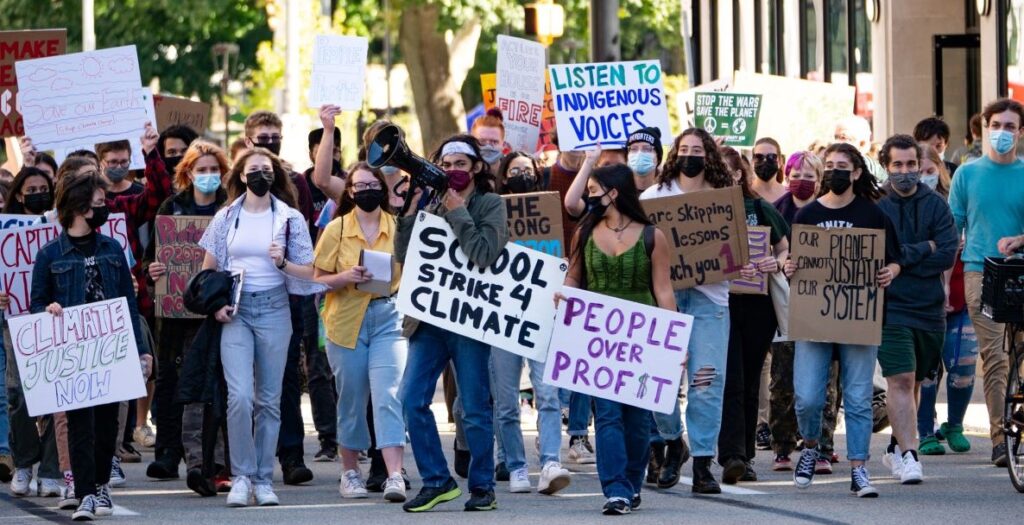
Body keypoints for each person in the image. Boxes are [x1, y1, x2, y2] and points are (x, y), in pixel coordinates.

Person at [198, 147, 322, 507]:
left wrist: (283, 261)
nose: (261, 175)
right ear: (240, 175)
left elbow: (310, 273)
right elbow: (208, 270)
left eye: (267, 170)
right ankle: (241, 476)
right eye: (254, 170)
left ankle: (264, 479)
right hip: (236, 311)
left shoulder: (289, 218)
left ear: (276, 175)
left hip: (274, 309)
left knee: (268, 400)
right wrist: (216, 304)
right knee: (238, 397)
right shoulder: (225, 218)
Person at [395, 134, 509, 513]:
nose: (453, 171)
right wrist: (410, 213)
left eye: (461, 164)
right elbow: (405, 256)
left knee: (474, 407)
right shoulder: (428, 202)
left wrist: (459, 210)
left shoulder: (490, 204)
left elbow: (483, 254)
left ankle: (481, 486)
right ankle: (437, 481)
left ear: (477, 167)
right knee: (411, 399)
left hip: (469, 322)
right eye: (446, 165)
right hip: (428, 321)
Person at [30, 170, 152, 520]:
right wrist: (48, 310)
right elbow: (37, 303)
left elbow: (129, 306)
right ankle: (84, 493)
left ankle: (100, 486)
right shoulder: (50, 255)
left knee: (106, 426)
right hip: (74, 354)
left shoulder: (112, 248)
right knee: (79, 423)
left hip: (110, 351)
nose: (104, 210)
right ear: (80, 207)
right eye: (99, 204)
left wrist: (141, 350)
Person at [783, 142, 901, 497]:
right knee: (806, 397)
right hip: (815, 319)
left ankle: (859, 468)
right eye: (829, 165)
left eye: (842, 165)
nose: (835, 171)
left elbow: (894, 259)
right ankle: (810, 445)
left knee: (859, 396)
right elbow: (795, 262)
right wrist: (790, 267)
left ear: (856, 173)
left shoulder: (874, 215)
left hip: (858, 318)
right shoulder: (806, 216)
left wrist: (890, 272)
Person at [559, 164, 677, 514]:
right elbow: (574, 277)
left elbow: (664, 291)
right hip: (598, 336)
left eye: (594, 191)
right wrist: (564, 296)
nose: (589, 197)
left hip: (642, 335)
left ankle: (631, 480)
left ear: (614, 193)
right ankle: (615, 489)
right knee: (607, 414)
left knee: (638, 419)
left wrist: (674, 344)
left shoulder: (653, 236)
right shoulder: (583, 232)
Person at [640, 128, 733, 493]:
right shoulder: (653, 197)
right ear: (674, 155)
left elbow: (736, 249)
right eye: (684, 149)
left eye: (698, 149)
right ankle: (672, 440)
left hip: (711, 302)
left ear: (709, 155)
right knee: (656, 381)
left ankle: (704, 463)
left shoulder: (723, 199)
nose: (691, 155)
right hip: (664, 300)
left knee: (706, 383)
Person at [313, 162, 408, 502]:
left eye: (372, 185)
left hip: (389, 318)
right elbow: (318, 277)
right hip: (346, 319)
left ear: (382, 189)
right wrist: (344, 278)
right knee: (352, 399)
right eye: (359, 186)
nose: (366, 191)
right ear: (350, 192)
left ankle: (395, 475)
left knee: (390, 395)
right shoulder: (336, 229)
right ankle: (349, 472)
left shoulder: (399, 227)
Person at [144, 141, 233, 495]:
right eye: (202, 169)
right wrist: (155, 271)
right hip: (181, 321)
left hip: (222, 314)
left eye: (214, 169)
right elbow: (156, 255)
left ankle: (223, 464)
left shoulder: (230, 208)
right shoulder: (172, 207)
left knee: (224, 389)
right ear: (188, 173)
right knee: (188, 388)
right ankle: (195, 462)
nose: (208, 176)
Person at [242, 110, 320, 485]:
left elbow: (304, 238)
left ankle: (290, 456)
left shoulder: (295, 184)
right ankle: (240, 463)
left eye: (275, 135)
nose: (270, 141)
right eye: (262, 136)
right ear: (247, 141)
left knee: (285, 378)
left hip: (284, 295)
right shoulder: (234, 183)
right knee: (240, 386)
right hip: (242, 298)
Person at [876, 135, 958, 484]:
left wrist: (902, 260)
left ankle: (896, 445)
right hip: (891, 308)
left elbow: (947, 251)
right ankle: (911, 456)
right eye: (898, 165)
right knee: (901, 378)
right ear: (886, 166)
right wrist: (924, 248)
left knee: (917, 381)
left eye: (911, 164)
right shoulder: (876, 204)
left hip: (929, 309)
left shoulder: (936, 204)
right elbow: (875, 254)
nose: (906, 172)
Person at [488, 149, 570, 495]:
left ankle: (550, 460)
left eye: (528, 169)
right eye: (515, 169)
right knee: (506, 400)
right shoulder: (491, 213)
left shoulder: (550, 212)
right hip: (502, 317)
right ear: (504, 177)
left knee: (548, 393)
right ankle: (517, 465)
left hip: (542, 315)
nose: (522, 174)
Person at [948, 97, 1024, 467]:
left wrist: (1020, 240)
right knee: (995, 357)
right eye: (996, 125)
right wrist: (946, 282)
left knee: (1019, 357)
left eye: (1010, 127)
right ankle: (1000, 437)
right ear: (984, 129)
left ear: (1020, 133)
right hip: (981, 270)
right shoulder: (967, 174)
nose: (1002, 133)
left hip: (1021, 271)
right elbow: (953, 229)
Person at [716, 147, 790, 484]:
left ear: (741, 173)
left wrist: (776, 261)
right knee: (731, 379)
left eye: (733, 170)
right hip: (719, 302)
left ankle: (743, 456)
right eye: (721, 169)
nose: (728, 176)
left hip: (758, 305)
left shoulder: (760, 208)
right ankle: (730, 453)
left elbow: (784, 246)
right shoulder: (703, 210)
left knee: (748, 380)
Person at [834, 116, 887, 182]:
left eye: (843, 137)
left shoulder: (875, 175)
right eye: (835, 137)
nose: (836, 142)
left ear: (862, 144)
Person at [751, 138, 788, 203]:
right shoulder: (744, 193)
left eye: (771, 157)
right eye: (759, 157)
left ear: (780, 162)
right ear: (752, 162)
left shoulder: (789, 196)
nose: (765, 161)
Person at [471, 108, 507, 175]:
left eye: (494, 142)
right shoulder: (466, 177)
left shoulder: (510, 176)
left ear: (503, 145)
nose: (487, 146)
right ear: (472, 142)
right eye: (482, 141)